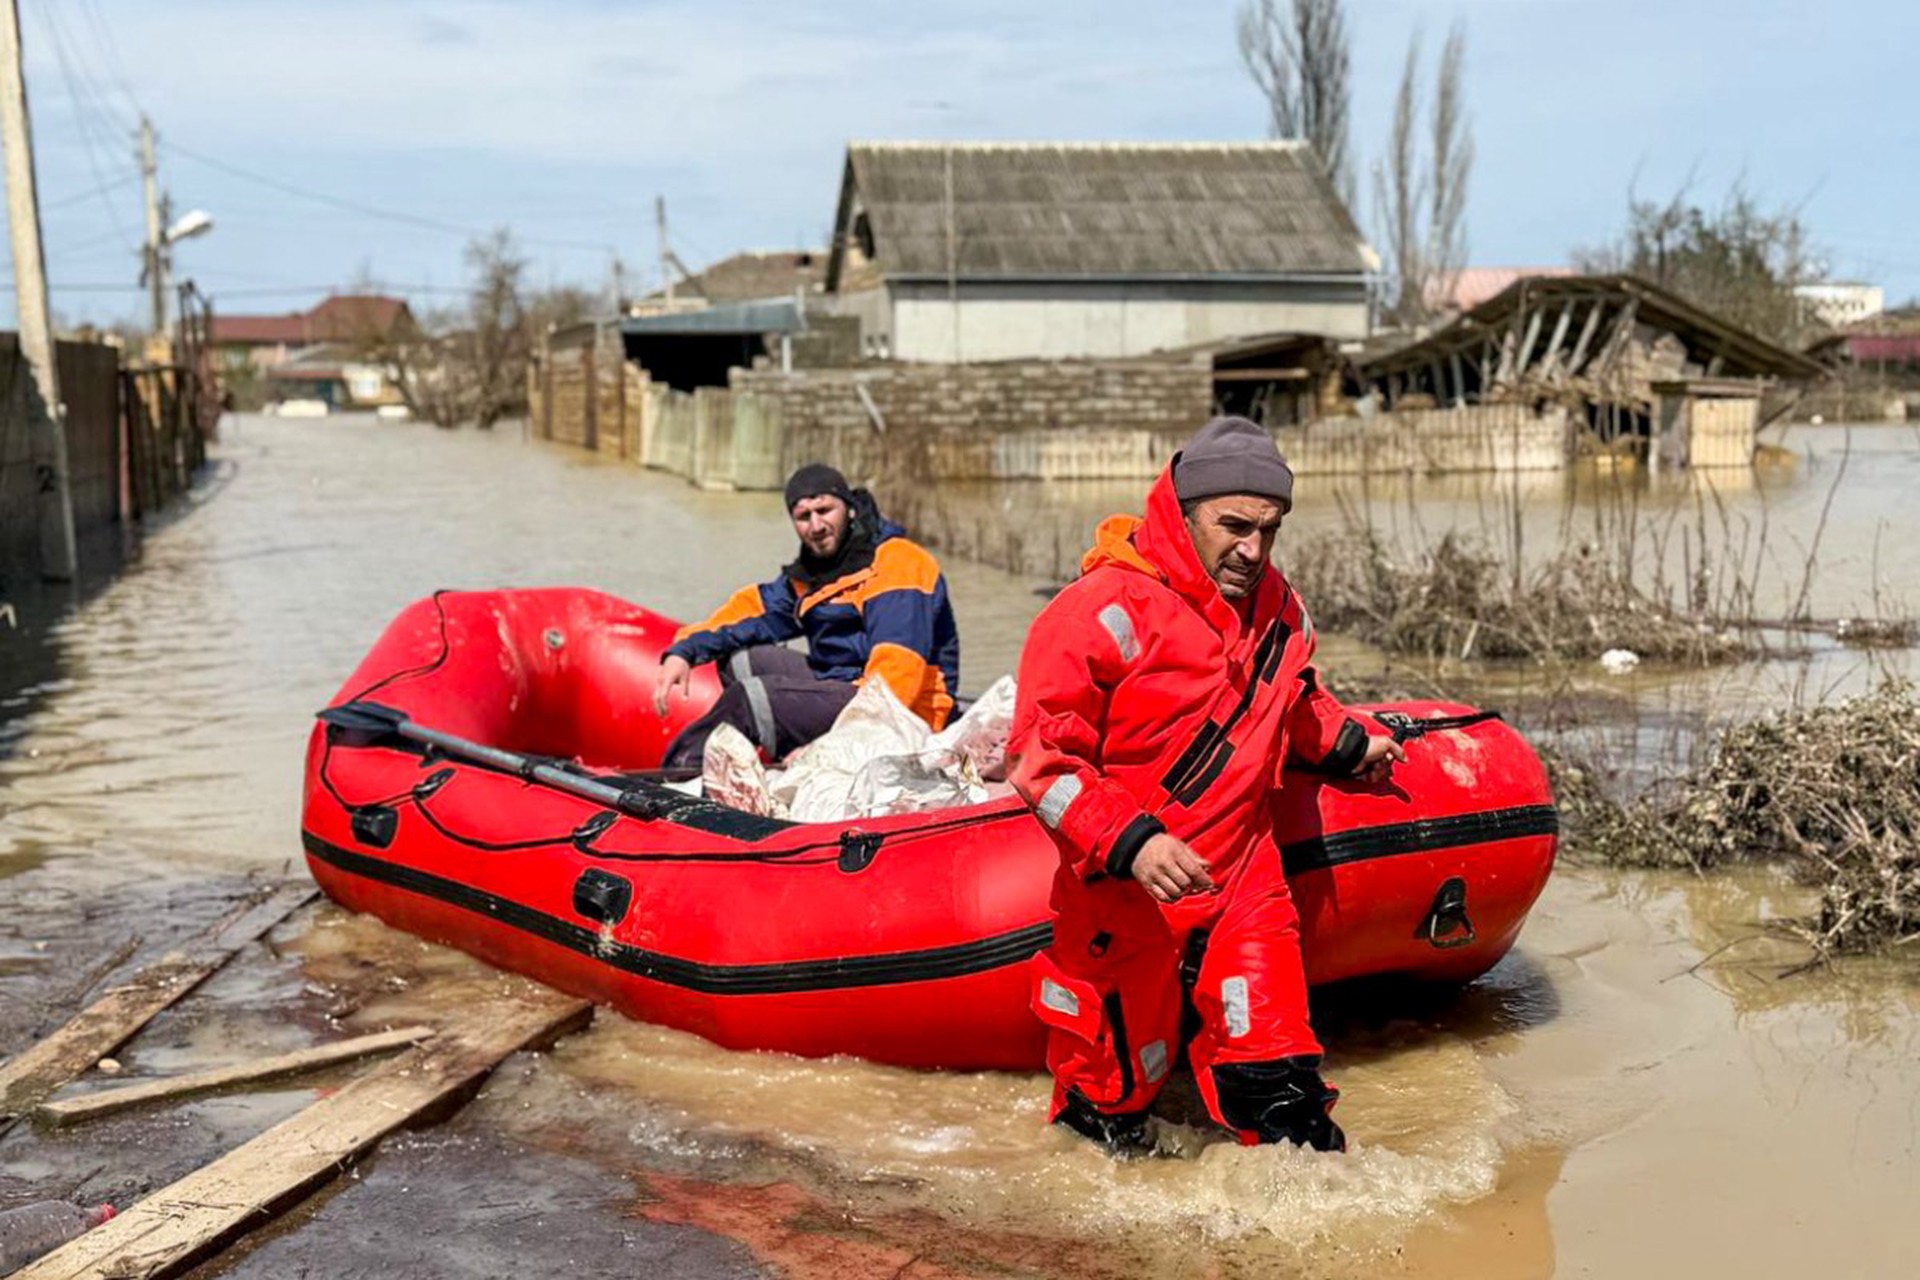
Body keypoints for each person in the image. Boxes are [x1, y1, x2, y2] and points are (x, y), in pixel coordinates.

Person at [1006, 416, 1404, 1156]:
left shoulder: (1278, 608)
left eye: (1270, 531)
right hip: (1126, 893)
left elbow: (1295, 698)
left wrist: (1351, 744)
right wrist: (1133, 842)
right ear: (1183, 510)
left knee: (1285, 1092)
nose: (1253, 550)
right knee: (1108, 1113)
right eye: (1234, 526)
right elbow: (1040, 759)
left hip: (1243, 880)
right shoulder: (1097, 612)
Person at [654, 463, 960, 770]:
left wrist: (826, 747)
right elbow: (749, 610)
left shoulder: (899, 564)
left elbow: (897, 682)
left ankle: (675, 779)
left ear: (850, 509)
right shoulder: (814, 574)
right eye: (803, 517)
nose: (816, 526)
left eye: (825, 510)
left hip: (908, 716)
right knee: (743, 659)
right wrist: (683, 651)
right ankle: (763, 764)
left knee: (752, 698)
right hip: (843, 686)